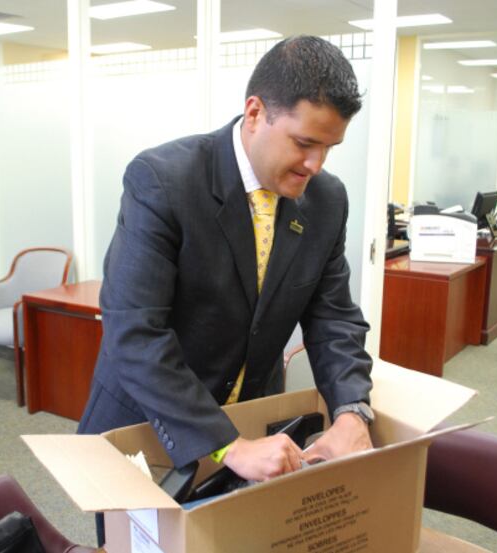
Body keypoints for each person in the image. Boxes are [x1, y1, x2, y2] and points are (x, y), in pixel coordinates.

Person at [78, 35, 373, 486]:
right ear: (255, 113)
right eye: (304, 143)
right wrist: (229, 445)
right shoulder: (163, 181)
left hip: (254, 422)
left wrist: (352, 411)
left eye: (330, 148)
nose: (316, 164)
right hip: (150, 426)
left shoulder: (327, 200)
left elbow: (333, 317)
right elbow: (135, 333)